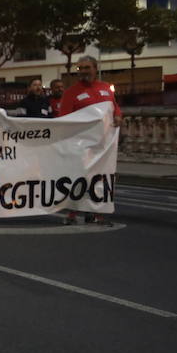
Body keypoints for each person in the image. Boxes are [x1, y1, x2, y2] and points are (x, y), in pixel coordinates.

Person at [56, 57, 121, 228]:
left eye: (87, 67)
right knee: (79, 179)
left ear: (95, 68)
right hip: (81, 146)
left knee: (101, 179)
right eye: (80, 68)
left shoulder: (106, 88)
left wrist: (119, 116)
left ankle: (98, 214)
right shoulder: (71, 92)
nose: (83, 71)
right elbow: (63, 119)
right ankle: (72, 213)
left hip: (104, 145)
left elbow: (115, 107)